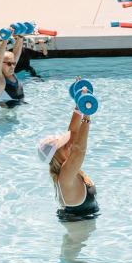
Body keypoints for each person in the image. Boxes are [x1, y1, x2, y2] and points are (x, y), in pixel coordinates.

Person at [38, 89, 99, 221]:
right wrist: (87, 117)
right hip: (78, 233)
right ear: (55, 155)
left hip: (79, 227)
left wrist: (79, 105)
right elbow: (79, 150)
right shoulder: (65, 174)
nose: (68, 144)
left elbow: (73, 133)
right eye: (63, 145)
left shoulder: (65, 169)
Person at [0, 32, 26, 106]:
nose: (13, 66)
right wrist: (5, 39)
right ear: (1, 64)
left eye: (13, 63)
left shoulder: (11, 72)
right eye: (9, 64)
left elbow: (16, 53)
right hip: (7, 116)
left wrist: (20, 36)